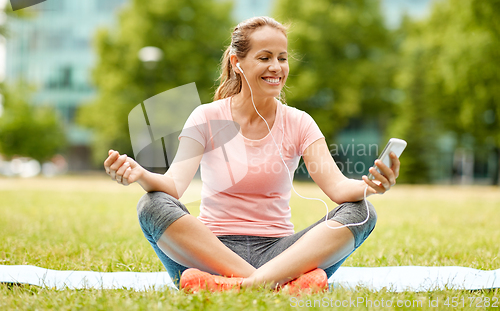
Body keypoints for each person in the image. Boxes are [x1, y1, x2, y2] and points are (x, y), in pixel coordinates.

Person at [104, 16, 400, 293]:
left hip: (280, 252)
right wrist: (141, 175)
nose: (277, 67)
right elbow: (174, 186)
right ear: (237, 62)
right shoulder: (206, 117)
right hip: (211, 251)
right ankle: (280, 284)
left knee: (362, 213)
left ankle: (237, 286)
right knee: (151, 205)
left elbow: (338, 188)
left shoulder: (299, 122)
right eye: (264, 57)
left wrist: (369, 186)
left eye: (282, 58)